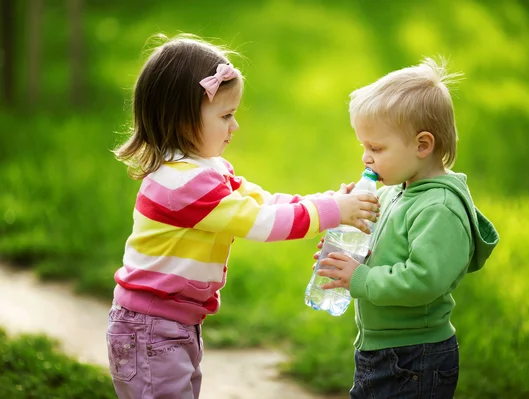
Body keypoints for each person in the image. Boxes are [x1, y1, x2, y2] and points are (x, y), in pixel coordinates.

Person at [105, 33, 379, 399]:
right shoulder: (183, 183)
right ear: (183, 120)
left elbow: (265, 202)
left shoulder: (207, 169)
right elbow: (262, 223)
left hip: (172, 324)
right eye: (226, 115)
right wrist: (331, 213)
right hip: (152, 328)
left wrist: (331, 201)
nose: (234, 126)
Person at [315, 57, 500, 398]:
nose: (365, 158)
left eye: (376, 148)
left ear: (422, 145)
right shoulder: (395, 191)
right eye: (363, 147)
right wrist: (348, 237)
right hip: (386, 348)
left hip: (415, 357)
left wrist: (361, 278)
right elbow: (385, 246)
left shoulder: (439, 209)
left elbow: (424, 280)